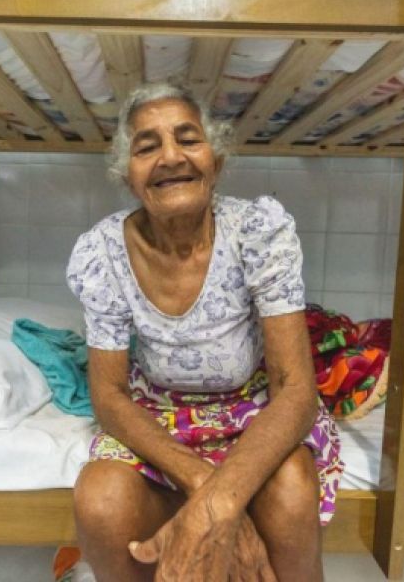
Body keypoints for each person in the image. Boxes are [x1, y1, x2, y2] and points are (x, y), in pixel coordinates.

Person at [66, 82, 343, 582]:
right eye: (147, 147)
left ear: (216, 161)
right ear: (127, 176)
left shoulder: (258, 231)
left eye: (188, 139)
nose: (171, 157)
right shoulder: (101, 253)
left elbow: (296, 389)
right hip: (159, 419)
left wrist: (219, 503)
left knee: (291, 489)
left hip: (255, 412)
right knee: (100, 500)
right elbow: (108, 396)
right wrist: (210, 492)